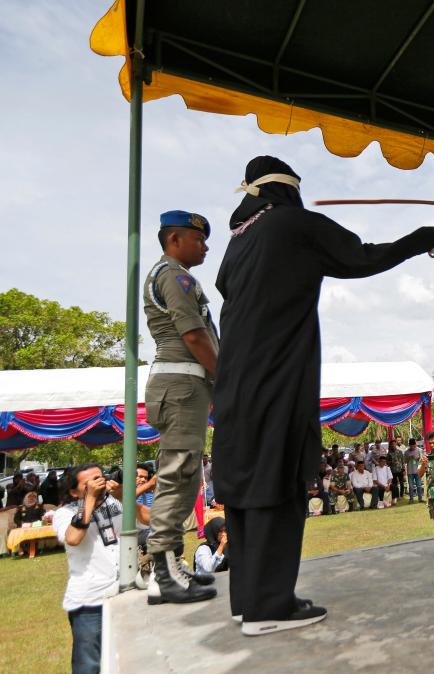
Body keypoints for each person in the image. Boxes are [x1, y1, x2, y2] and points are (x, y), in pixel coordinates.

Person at [212, 156, 434, 635]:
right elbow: (362, 257)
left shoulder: (235, 245)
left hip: (234, 379)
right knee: (277, 481)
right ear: (288, 192)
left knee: (243, 487)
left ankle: (247, 599)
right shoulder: (294, 225)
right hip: (277, 374)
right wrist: (426, 238)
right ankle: (269, 607)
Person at [142, 209, 218, 605]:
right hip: (182, 382)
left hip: (184, 384)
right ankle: (163, 572)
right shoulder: (173, 275)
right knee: (179, 472)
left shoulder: (173, 275)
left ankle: (169, 567)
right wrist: (223, 377)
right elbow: (192, 333)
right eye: (198, 238)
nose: (205, 246)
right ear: (174, 240)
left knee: (185, 475)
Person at [53, 464, 123, 674]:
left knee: (122, 659)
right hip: (89, 601)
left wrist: (125, 496)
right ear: (74, 491)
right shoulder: (64, 513)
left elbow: (147, 520)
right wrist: (89, 499)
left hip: (121, 593)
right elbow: (73, 538)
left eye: (100, 477)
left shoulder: (114, 503)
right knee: (89, 665)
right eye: (90, 482)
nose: (98, 483)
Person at [405, 439, 423, 503]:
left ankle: (420, 498)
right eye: (411, 446)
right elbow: (404, 461)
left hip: (417, 470)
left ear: (415, 445)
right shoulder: (406, 452)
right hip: (410, 471)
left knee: (419, 485)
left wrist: (417, 458)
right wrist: (409, 458)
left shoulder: (419, 450)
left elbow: (422, 460)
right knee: (411, 486)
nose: (412, 447)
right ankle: (411, 499)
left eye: (413, 446)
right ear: (409, 445)